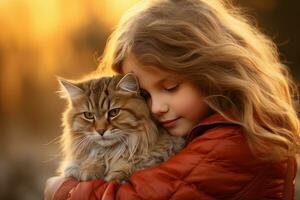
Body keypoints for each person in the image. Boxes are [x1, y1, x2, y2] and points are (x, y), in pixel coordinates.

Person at [44, 0, 300, 199]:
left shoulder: (236, 142)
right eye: (144, 95)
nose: (156, 108)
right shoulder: (215, 129)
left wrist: (61, 190)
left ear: (212, 72)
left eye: (170, 87)